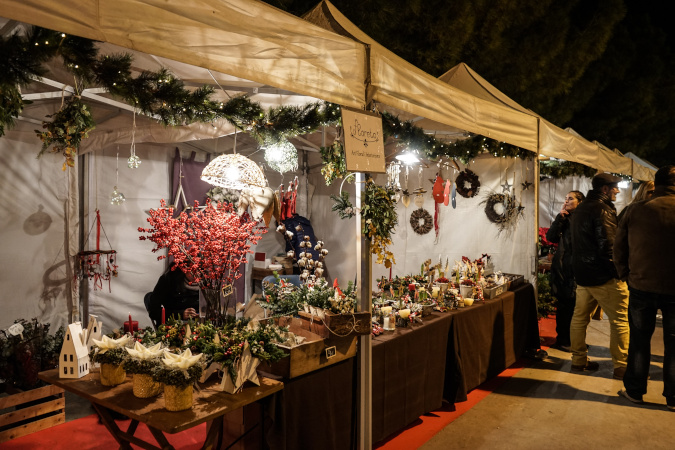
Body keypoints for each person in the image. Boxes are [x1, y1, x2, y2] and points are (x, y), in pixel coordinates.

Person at [615, 166, 675, 410]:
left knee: (639, 340)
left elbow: (618, 247)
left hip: (641, 284)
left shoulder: (636, 210)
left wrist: (625, 275)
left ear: (657, 183)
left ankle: (635, 391)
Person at [569, 173, 630, 379]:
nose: (617, 191)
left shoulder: (581, 209)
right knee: (620, 321)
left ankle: (578, 361)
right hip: (603, 276)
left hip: (583, 274)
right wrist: (619, 274)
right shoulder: (602, 209)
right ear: (605, 189)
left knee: (579, 319)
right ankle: (622, 367)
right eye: (615, 187)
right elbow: (609, 247)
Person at [546, 190, 585, 352]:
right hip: (563, 267)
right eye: (565, 198)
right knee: (564, 305)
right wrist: (559, 218)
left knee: (575, 306)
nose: (566, 201)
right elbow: (551, 237)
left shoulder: (582, 218)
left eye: (570, 199)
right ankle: (563, 339)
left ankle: (573, 340)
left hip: (575, 267)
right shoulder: (564, 217)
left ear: (579, 202)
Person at [145, 263, 199, 327]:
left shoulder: (207, 283)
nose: (196, 274)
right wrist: (180, 314)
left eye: (199, 270)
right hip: (173, 328)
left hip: (201, 327)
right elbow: (154, 312)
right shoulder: (168, 280)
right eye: (192, 270)